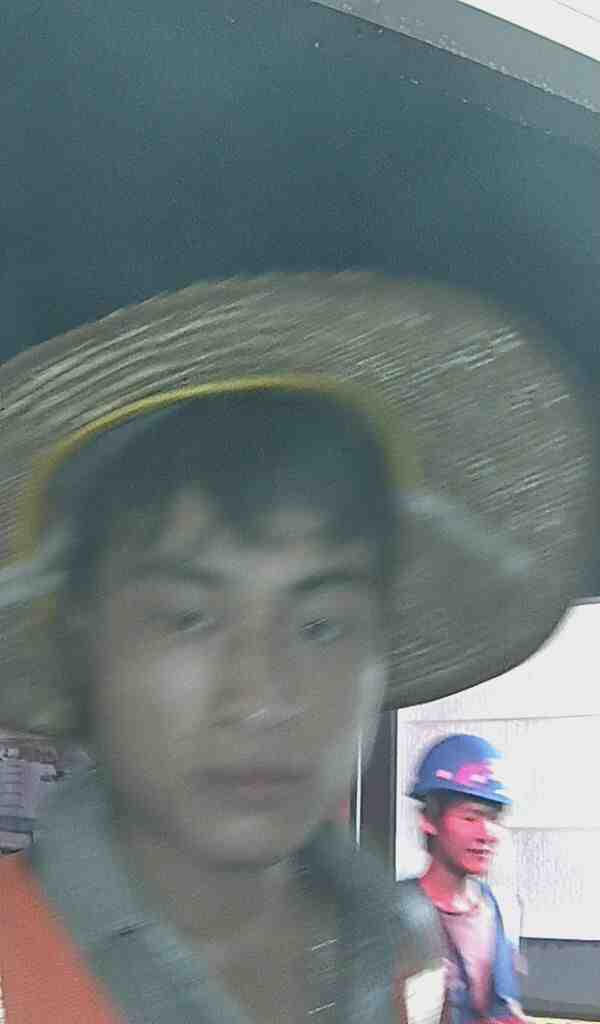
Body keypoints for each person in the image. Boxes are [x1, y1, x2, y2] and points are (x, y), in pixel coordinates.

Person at [0, 272, 582, 1022]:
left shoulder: (400, 952)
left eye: (320, 625)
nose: (263, 698)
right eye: (187, 616)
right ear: (83, 635)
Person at [404, 734, 525, 1024]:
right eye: (471, 817)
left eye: (494, 819)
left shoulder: (504, 909)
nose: (487, 834)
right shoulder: (395, 914)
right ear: (429, 820)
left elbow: (504, 1007)